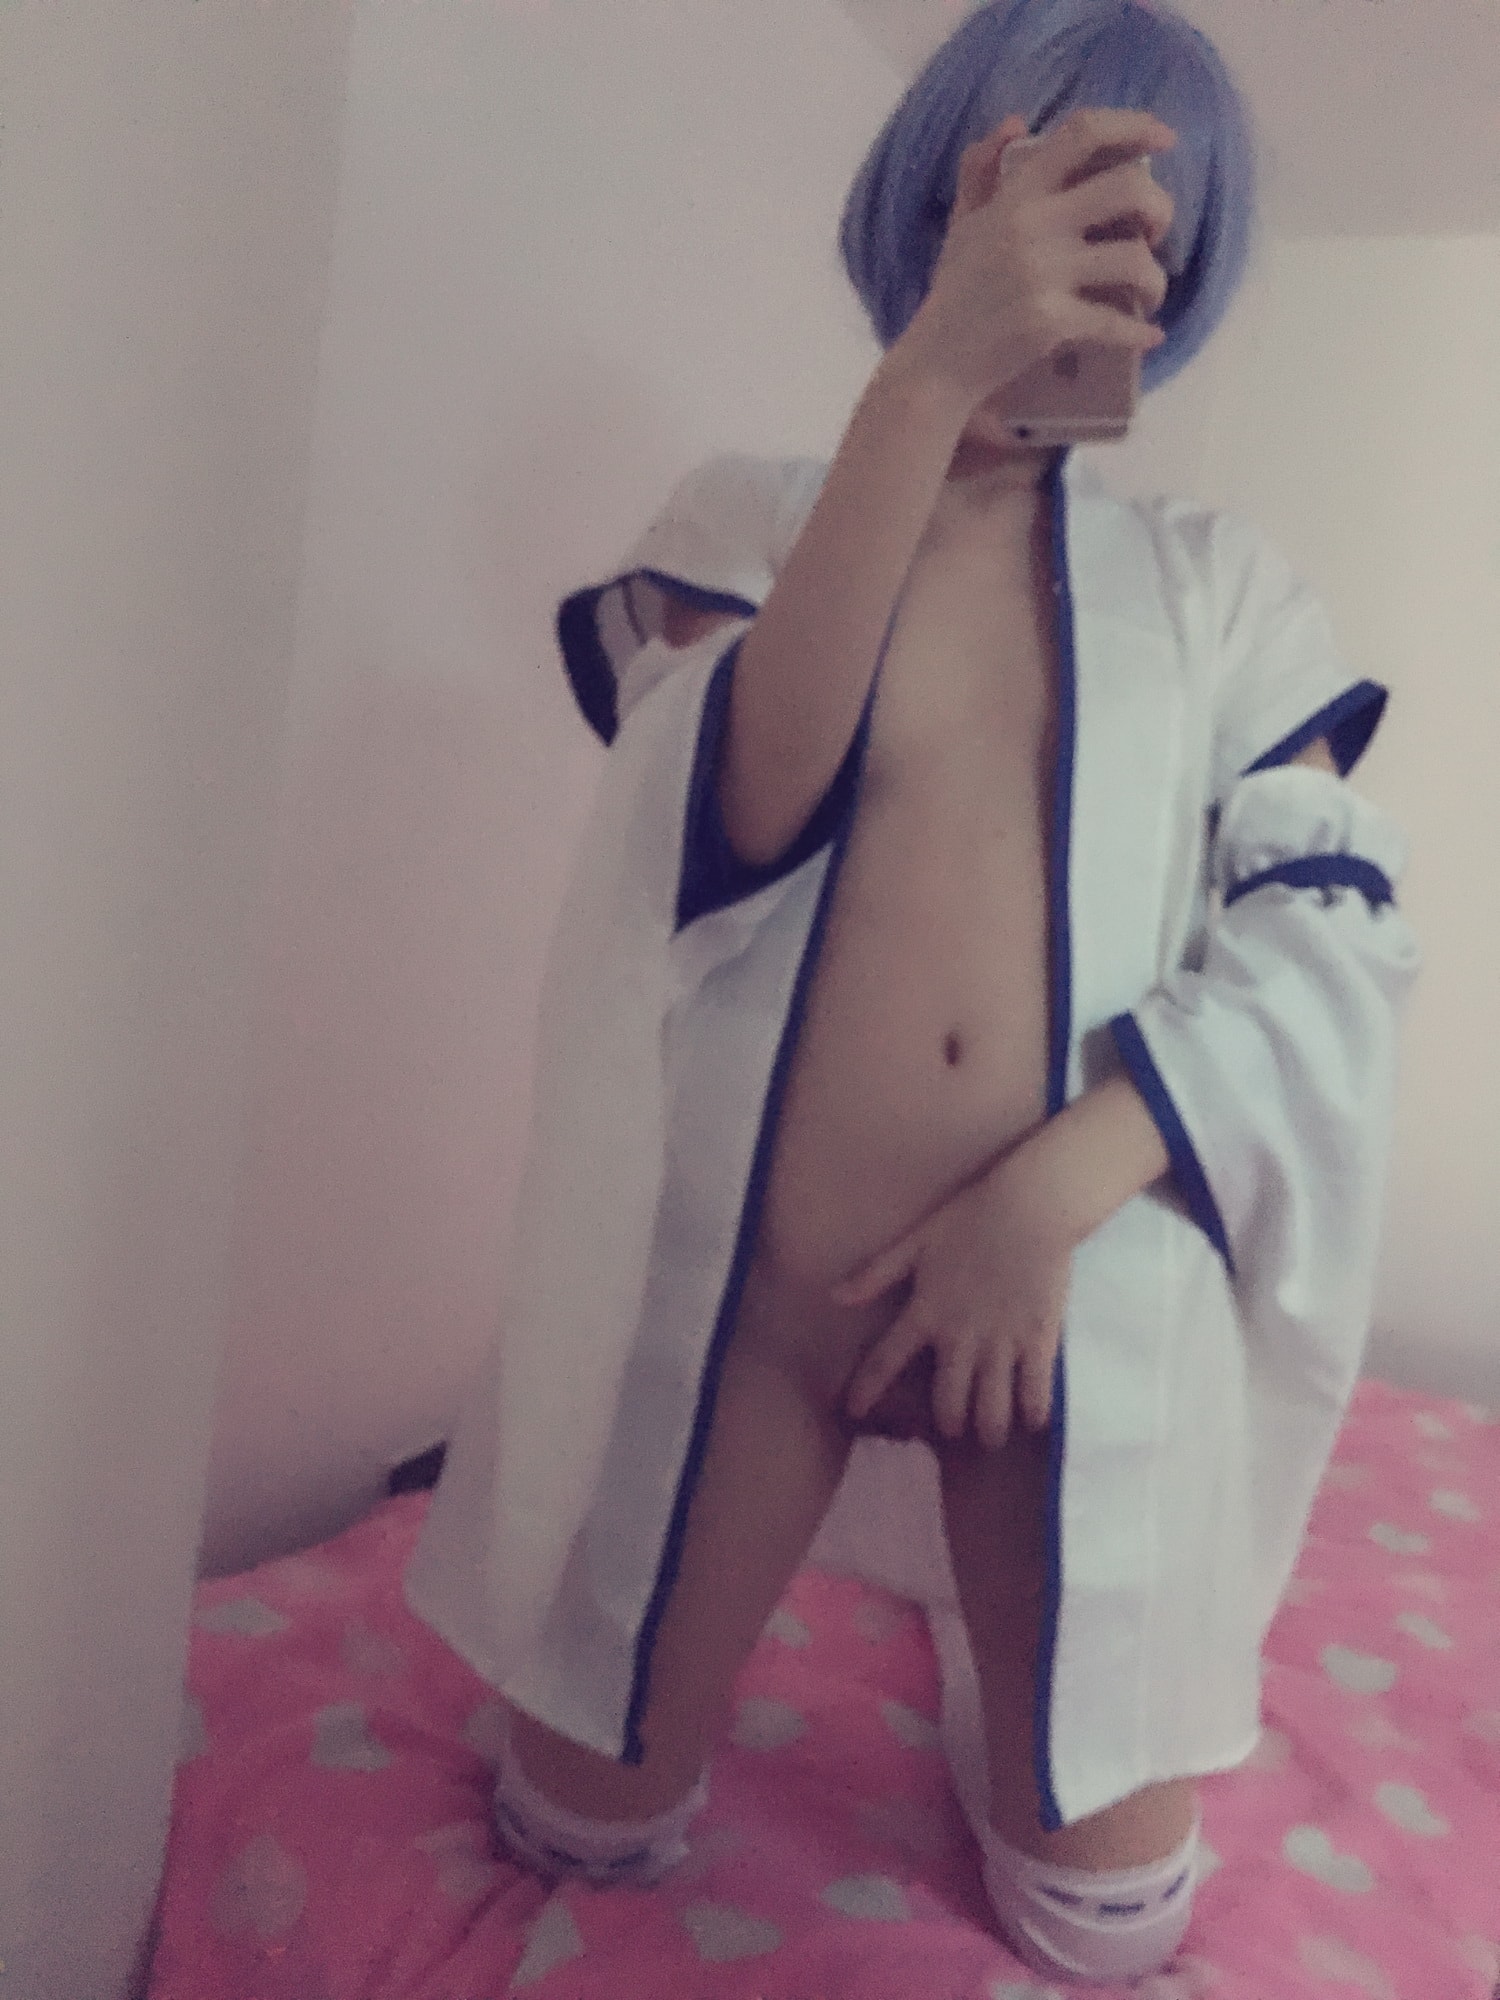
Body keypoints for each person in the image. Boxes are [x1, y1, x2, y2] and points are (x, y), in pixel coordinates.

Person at [403, 1, 1419, 1984]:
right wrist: (933, 379)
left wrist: (1044, 1200)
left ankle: (986, 1659)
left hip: (1058, 1308)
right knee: (573, 1819)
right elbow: (731, 812)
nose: (1084, 256)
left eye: (1139, 223)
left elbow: (1327, 935)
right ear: (942, 189)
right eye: (1042, 188)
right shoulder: (759, 519)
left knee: (1107, 1924)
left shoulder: (1220, 590)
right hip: (760, 1303)